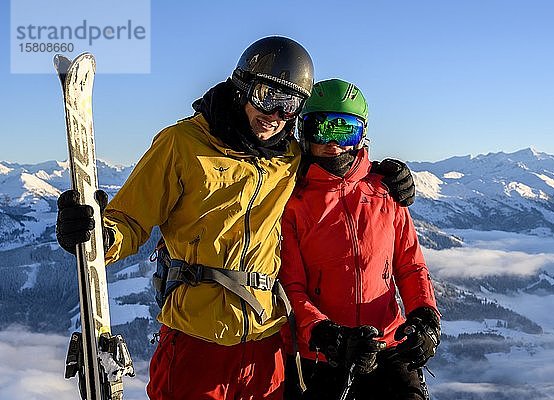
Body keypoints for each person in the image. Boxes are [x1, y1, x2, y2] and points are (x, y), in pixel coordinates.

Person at [55, 37, 416, 400]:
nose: (274, 114)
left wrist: (383, 176)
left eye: (288, 104)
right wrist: (98, 235)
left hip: (266, 346)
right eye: (266, 96)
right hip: (197, 341)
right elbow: (129, 220)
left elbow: (338, 177)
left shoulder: (289, 157)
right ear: (242, 85)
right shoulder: (182, 145)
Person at [279, 79, 441, 400]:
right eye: (321, 129)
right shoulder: (292, 201)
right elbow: (290, 287)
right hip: (323, 355)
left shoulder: (385, 192)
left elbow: (410, 267)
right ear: (303, 132)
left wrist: (424, 316)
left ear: (361, 135)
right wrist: (324, 334)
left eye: (345, 130)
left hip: (387, 345)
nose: (333, 143)